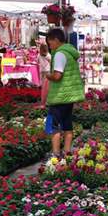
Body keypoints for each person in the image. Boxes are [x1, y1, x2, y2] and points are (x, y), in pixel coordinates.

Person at [45, 28, 85, 157]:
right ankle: (67, 152)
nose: (49, 45)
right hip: (69, 96)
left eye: (49, 42)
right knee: (67, 124)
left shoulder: (59, 54)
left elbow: (57, 76)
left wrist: (48, 76)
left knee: (52, 125)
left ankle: (55, 153)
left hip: (59, 96)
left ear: (56, 40)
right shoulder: (69, 52)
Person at [39, 43, 51, 107]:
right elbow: (51, 62)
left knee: (43, 88)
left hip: (42, 72)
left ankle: (43, 101)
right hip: (48, 71)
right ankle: (47, 101)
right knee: (48, 88)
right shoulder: (48, 55)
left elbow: (37, 61)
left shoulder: (39, 55)